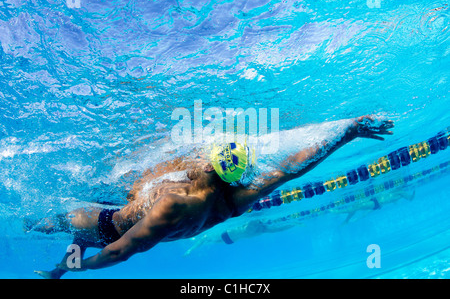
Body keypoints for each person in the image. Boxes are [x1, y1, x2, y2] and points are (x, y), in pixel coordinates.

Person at [29, 115, 393, 278]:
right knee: (75, 240)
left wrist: (79, 268)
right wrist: (348, 132)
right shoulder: (237, 198)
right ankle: (57, 272)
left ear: (209, 166)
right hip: (137, 220)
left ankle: (53, 262)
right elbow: (292, 167)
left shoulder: (175, 202)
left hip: (107, 225)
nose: (202, 153)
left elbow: (121, 250)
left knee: (55, 224)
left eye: (207, 153)